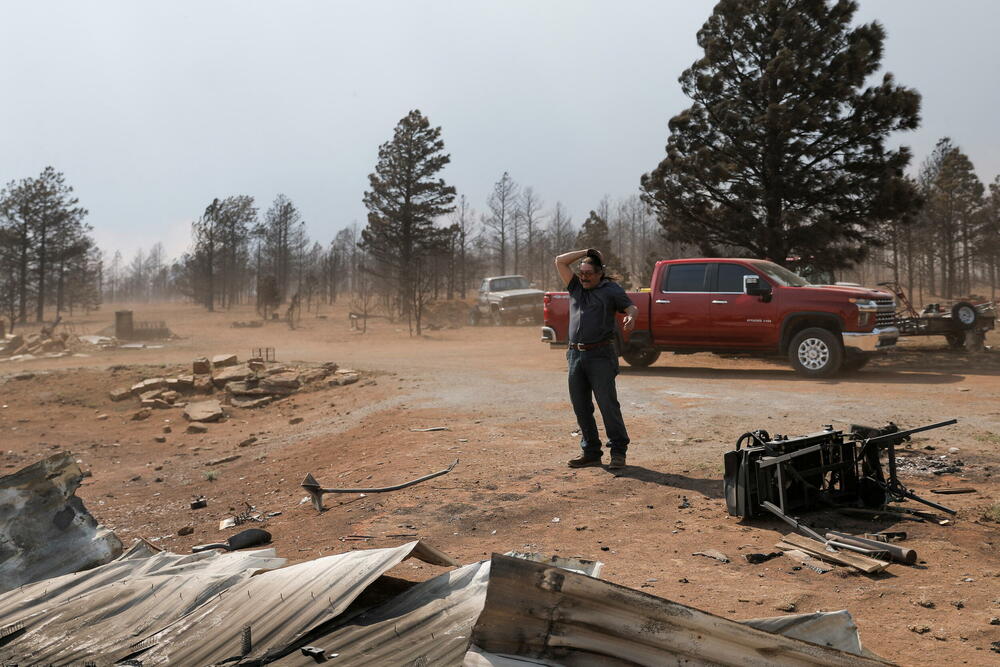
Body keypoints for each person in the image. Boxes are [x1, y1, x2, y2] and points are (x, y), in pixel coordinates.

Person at [554, 248, 638, 469]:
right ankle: (591, 452)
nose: (583, 277)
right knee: (581, 406)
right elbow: (560, 261)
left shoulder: (610, 290)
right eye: (581, 273)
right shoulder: (575, 286)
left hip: (600, 354)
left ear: (600, 273)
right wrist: (586, 251)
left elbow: (631, 307)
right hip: (575, 354)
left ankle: (618, 452)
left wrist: (631, 317)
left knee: (607, 405)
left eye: (589, 273)